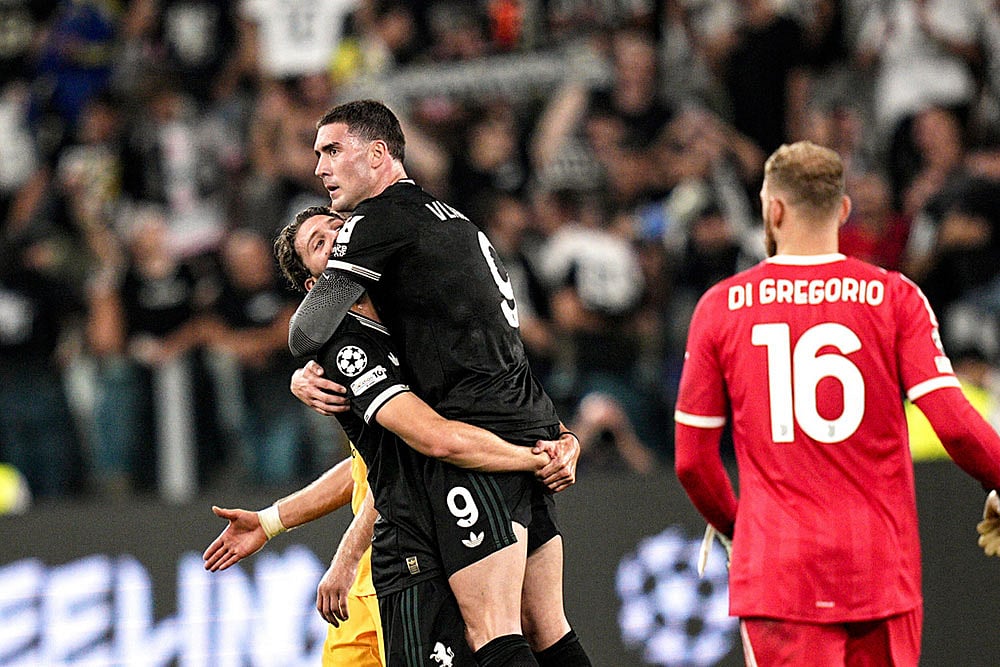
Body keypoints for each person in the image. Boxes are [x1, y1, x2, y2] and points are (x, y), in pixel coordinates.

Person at [284, 100, 591, 667]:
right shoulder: (448, 218)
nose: (320, 168)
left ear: (378, 155)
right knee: (546, 625)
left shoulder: (374, 222)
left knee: (492, 633)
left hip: (476, 441)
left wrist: (307, 367)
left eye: (332, 150)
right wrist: (553, 436)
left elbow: (307, 330)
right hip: (527, 416)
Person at [673, 140, 1000, 666]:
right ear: (843, 210)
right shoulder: (896, 297)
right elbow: (957, 427)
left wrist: (740, 529)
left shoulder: (720, 307)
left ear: (772, 210)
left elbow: (693, 463)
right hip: (879, 569)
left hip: (780, 571)